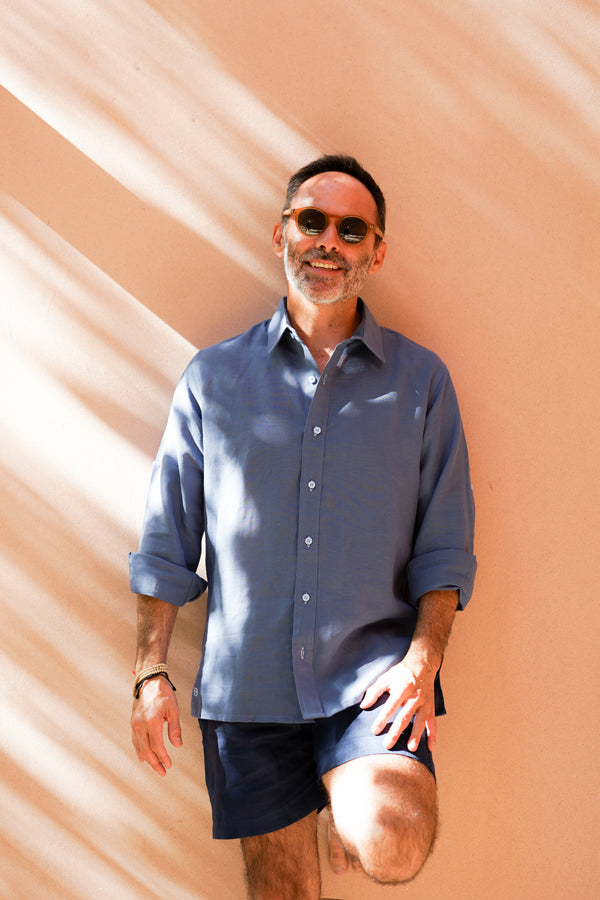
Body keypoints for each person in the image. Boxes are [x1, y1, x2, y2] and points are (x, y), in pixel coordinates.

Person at [129, 154, 476, 899]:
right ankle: (326, 792)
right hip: (246, 688)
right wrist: (150, 672)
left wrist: (424, 662)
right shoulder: (213, 378)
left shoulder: (421, 381)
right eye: (311, 221)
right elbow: (167, 543)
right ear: (280, 232)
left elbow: (445, 547)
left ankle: (345, 799)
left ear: (376, 252)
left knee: (392, 840)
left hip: (372, 685)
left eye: (352, 230)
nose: (328, 242)